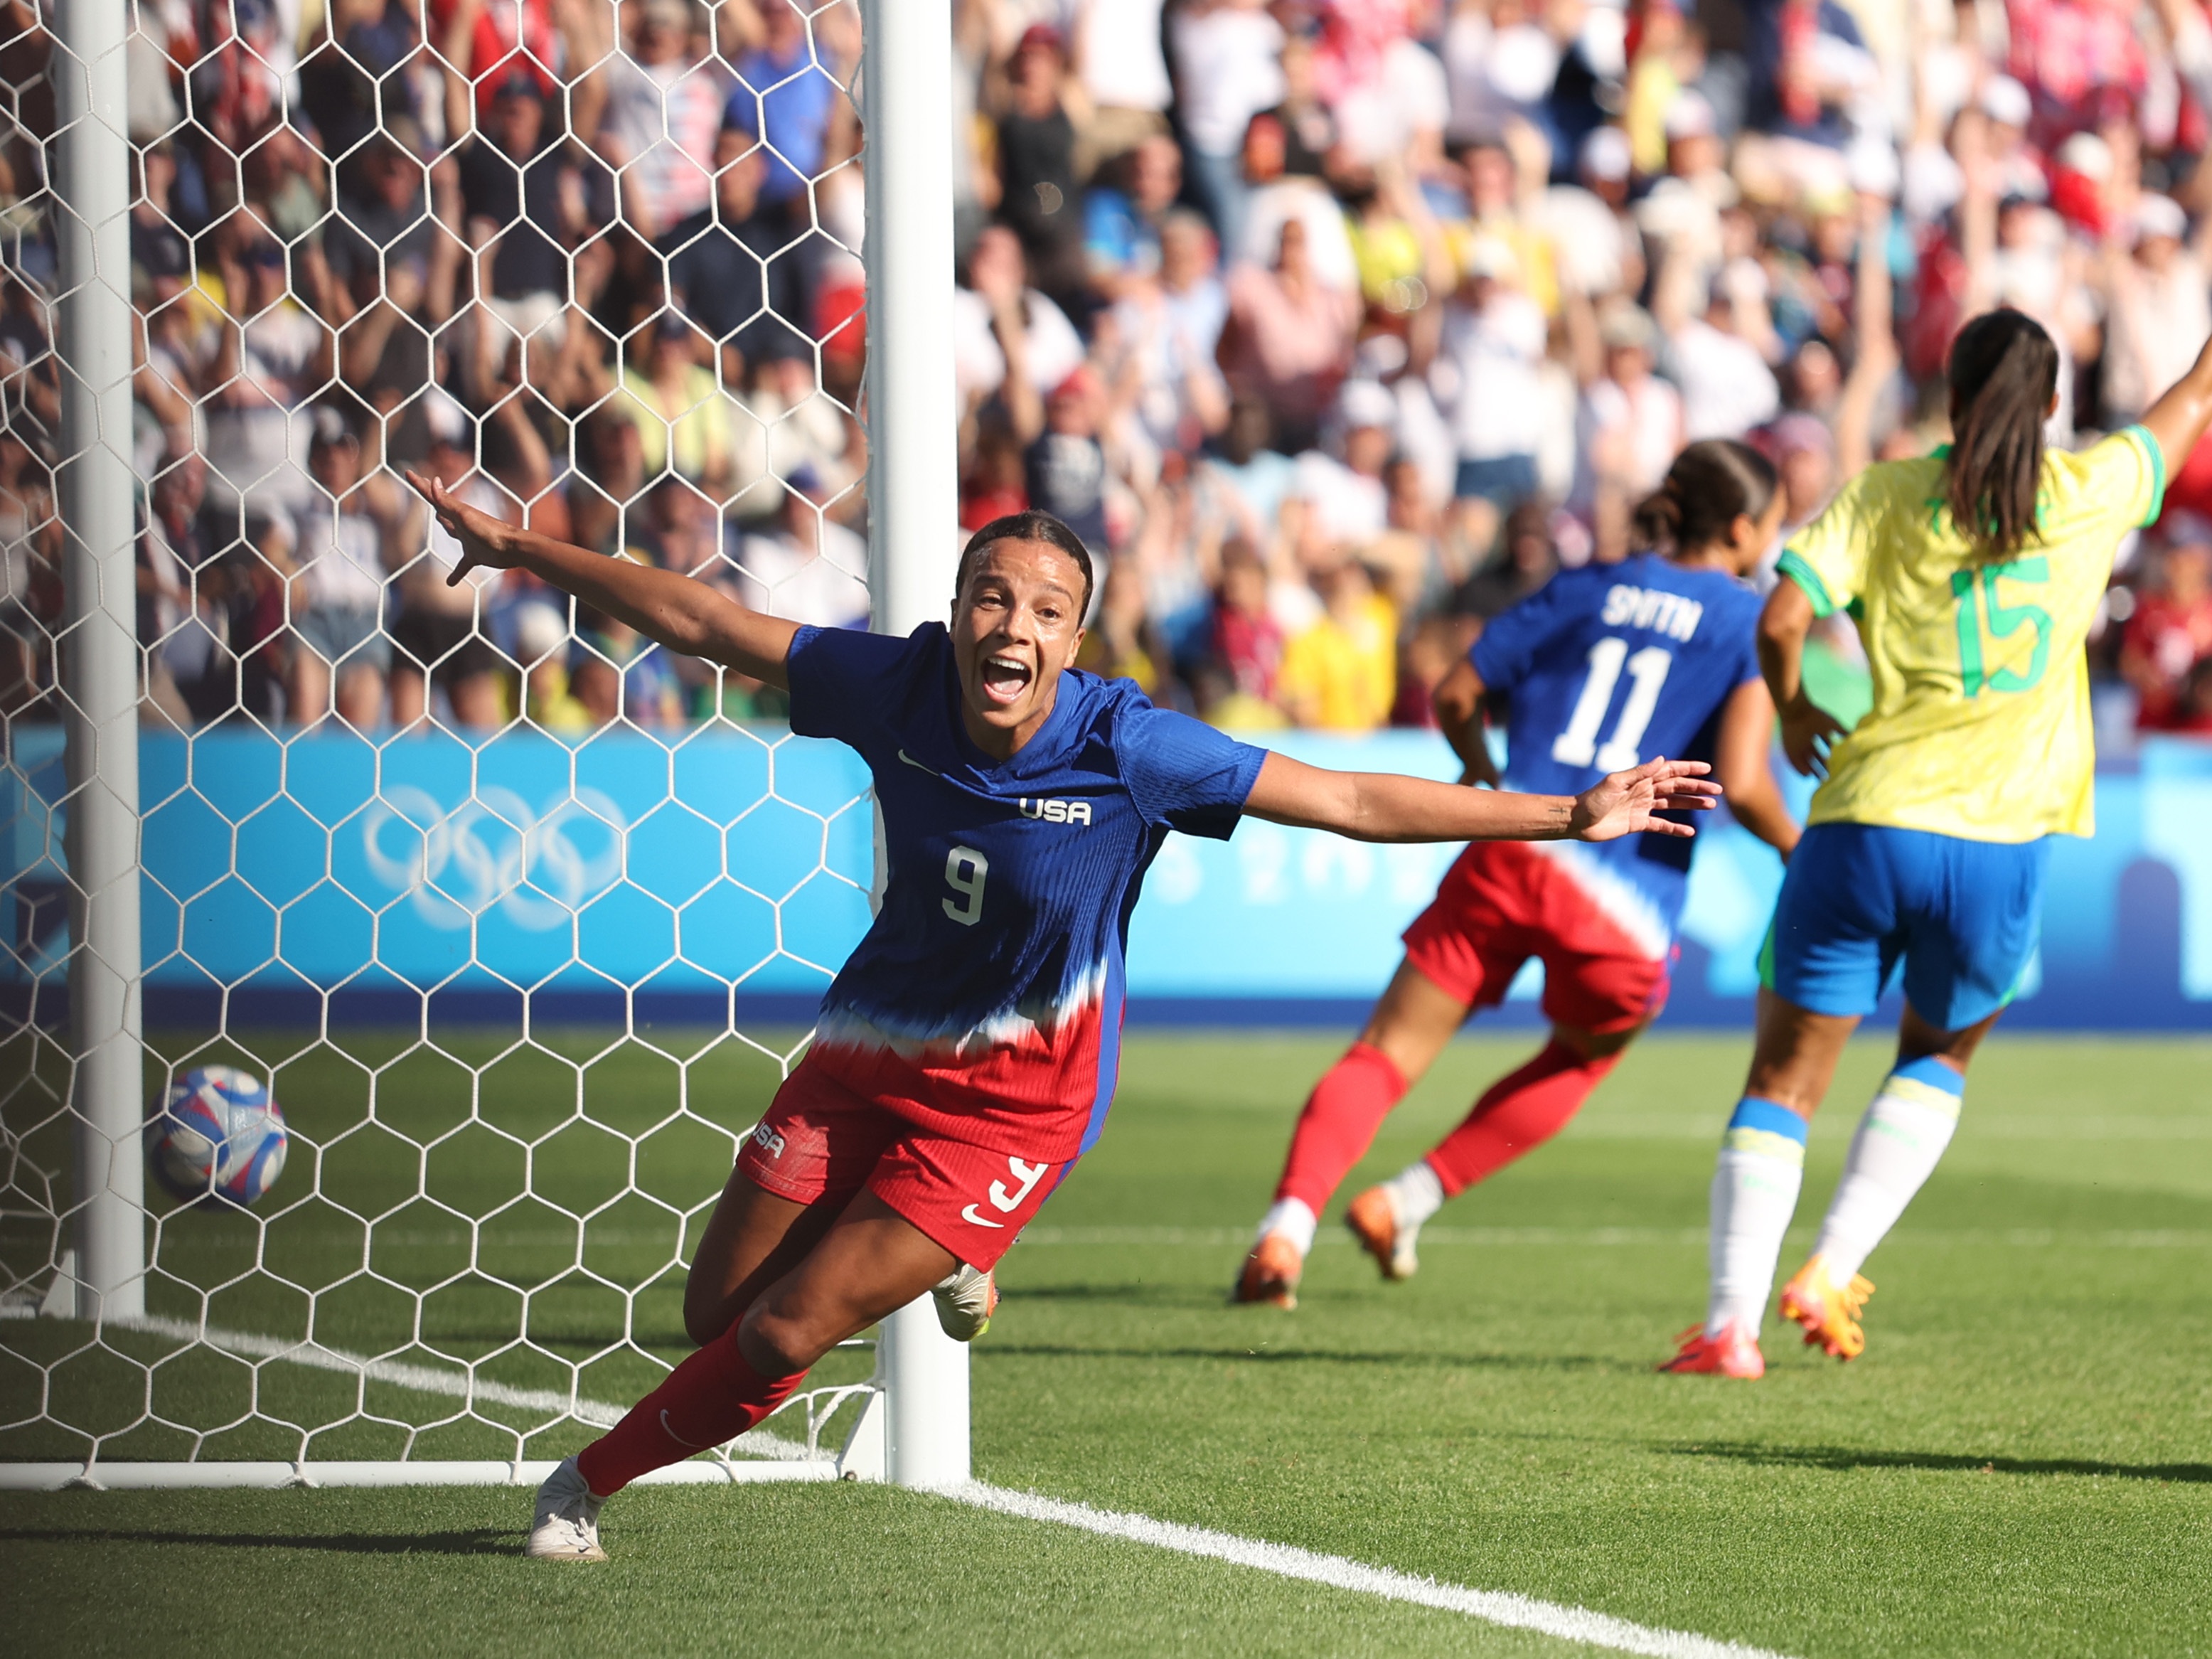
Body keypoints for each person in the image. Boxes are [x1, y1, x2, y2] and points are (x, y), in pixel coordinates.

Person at [400, 481, 1721, 1561]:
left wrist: (1567, 811)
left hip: (1013, 1109)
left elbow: (1356, 803)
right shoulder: (898, 687)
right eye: (991, 594)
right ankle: (954, 1258)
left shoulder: (1130, 748)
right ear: (958, 609)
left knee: (793, 1328)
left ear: (1072, 642)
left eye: (1044, 606)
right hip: (866, 1054)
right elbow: (702, 622)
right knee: (717, 1317)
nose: (1010, 622)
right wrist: (521, 549)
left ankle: (581, 1484)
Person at [1662, 308, 2212, 1379]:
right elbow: (2190, 397)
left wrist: (1785, 711)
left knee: (1782, 1080)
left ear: (1949, 401)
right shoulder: (2088, 490)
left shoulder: (1885, 493)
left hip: (1865, 818)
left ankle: (1727, 1328)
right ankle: (1830, 1267)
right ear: (2051, 405)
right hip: (1999, 840)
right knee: (1936, 1058)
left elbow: (1779, 619)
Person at [1235, 441, 1799, 1307]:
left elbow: (1457, 693)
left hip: (1519, 842)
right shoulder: (1743, 620)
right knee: (1580, 1057)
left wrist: (1483, 775)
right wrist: (1801, 850)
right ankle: (1407, 1198)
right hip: (1630, 896)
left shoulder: (1586, 584)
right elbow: (1747, 778)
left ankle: (1285, 1228)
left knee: (1386, 1052)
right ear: (1740, 527)